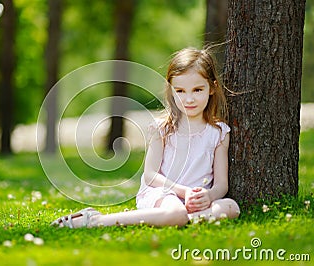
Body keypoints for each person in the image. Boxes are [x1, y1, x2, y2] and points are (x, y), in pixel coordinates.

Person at [51, 47, 240, 228]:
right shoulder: (163, 128)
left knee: (231, 206)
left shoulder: (219, 133)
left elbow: (222, 184)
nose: (189, 99)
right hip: (163, 193)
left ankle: (182, 219)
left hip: (197, 200)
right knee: (175, 211)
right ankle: (95, 220)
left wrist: (209, 196)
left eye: (197, 90)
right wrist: (184, 191)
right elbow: (151, 176)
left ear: (212, 88)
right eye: (180, 91)